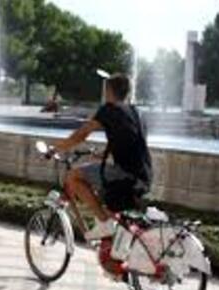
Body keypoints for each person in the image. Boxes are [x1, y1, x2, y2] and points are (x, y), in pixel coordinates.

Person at [52, 73, 152, 240]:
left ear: (109, 91)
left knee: (73, 176)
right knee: (101, 187)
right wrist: (104, 154)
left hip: (125, 175)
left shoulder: (109, 110)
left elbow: (81, 135)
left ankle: (104, 222)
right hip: (144, 175)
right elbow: (132, 141)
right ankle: (110, 233)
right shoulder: (137, 112)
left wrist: (55, 148)